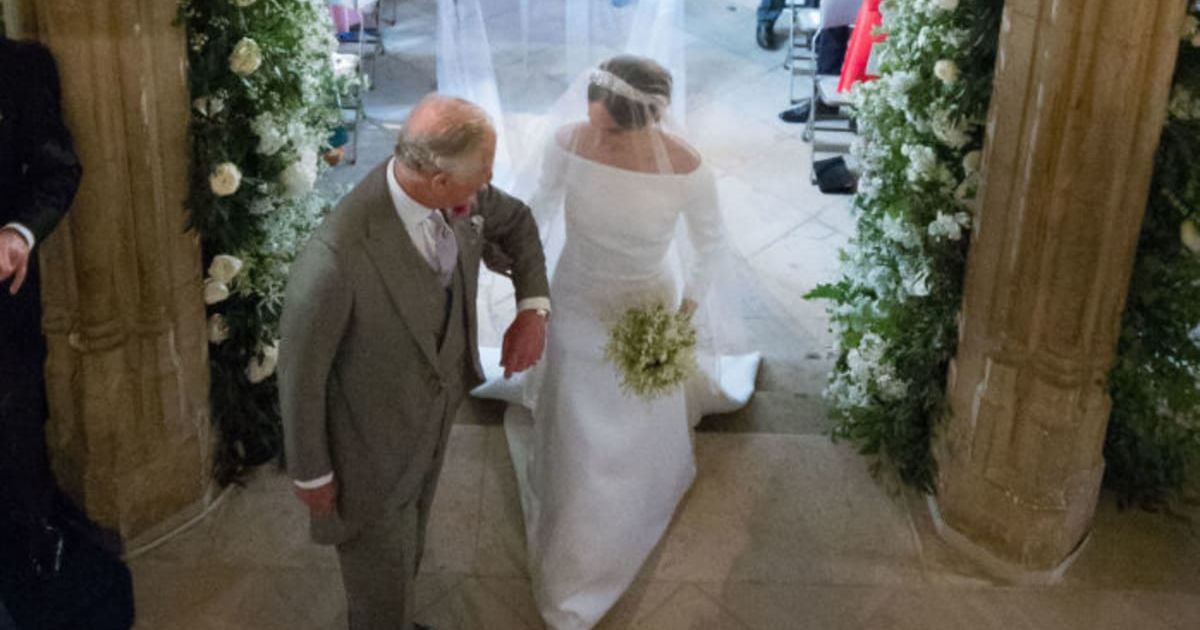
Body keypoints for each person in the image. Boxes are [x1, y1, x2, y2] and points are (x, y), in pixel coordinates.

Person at [475, 55, 759, 630]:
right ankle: (575, 539)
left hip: (645, 303)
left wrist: (682, 315)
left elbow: (710, 247)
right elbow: (539, 207)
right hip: (576, 293)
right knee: (577, 417)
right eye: (591, 117)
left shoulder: (688, 169)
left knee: (634, 404)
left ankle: (626, 505)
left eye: (608, 128)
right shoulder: (567, 142)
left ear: (644, 120)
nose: (594, 133)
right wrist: (518, 268)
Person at [278, 94, 550, 630]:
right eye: (482, 173)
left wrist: (532, 310)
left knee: (409, 544)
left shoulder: (459, 196)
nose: (488, 183)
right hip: (367, 451)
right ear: (436, 178)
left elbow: (517, 222)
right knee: (377, 574)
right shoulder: (336, 260)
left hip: (432, 415)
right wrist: (312, 474)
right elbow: (300, 373)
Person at [0, 35, 134, 630]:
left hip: (2, 305)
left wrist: (19, 233)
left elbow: (58, 170)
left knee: (17, 434)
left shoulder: (21, 66)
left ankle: (37, 556)